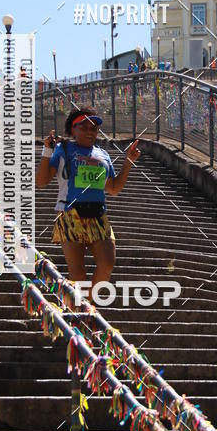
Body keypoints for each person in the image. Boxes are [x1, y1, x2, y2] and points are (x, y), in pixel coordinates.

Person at [36, 106, 140, 302]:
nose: (90, 131)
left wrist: (128, 162)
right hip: (71, 214)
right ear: (72, 129)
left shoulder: (103, 155)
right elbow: (41, 182)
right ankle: (78, 310)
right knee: (78, 275)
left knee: (107, 263)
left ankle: (86, 306)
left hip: (98, 216)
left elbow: (114, 188)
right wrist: (47, 150)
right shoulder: (64, 149)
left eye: (94, 128)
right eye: (83, 127)